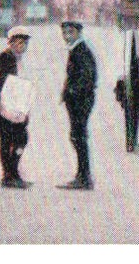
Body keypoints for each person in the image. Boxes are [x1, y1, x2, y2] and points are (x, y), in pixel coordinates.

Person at [0, 27, 33, 188]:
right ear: (11, 43)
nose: (23, 46)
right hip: (5, 106)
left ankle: (13, 173)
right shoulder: (5, 57)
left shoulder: (17, 58)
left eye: (25, 43)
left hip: (17, 106)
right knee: (9, 140)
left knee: (20, 139)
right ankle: (8, 175)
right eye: (19, 43)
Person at [59, 19, 97, 190]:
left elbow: (87, 78)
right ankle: (82, 175)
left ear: (78, 33)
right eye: (64, 33)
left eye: (70, 32)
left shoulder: (81, 51)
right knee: (77, 136)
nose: (67, 36)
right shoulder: (77, 49)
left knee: (79, 137)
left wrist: (72, 92)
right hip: (77, 100)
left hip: (80, 101)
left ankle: (84, 177)